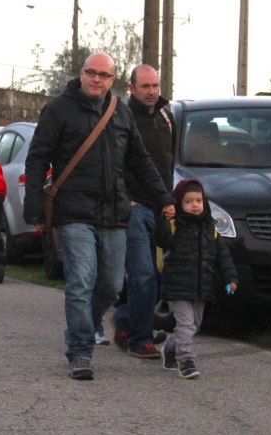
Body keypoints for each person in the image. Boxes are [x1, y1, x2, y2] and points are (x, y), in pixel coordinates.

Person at [22, 52, 176, 381]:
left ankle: (85, 325)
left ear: (112, 80)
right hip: (74, 211)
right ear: (81, 74)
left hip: (114, 212)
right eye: (91, 72)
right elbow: (37, 159)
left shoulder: (119, 112)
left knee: (110, 286)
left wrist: (164, 196)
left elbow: (140, 160)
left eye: (104, 75)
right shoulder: (59, 109)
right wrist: (33, 206)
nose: (96, 79)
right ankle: (80, 350)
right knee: (81, 280)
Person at [110, 64, 176, 358]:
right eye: (145, 86)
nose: (151, 92)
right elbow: (112, 164)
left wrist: (170, 200)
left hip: (161, 207)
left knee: (158, 278)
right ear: (132, 88)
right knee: (143, 275)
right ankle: (140, 340)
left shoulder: (166, 117)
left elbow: (167, 163)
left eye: (155, 86)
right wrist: (125, 199)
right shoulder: (122, 118)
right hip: (134, 209)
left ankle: (126, 320)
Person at [156, 179, 238, 379]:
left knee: (194, 325)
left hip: (202, 286)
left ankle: (170, 347)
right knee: (186, 325)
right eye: (188, 201)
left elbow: (223, 257)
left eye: (198, 201)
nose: (194, 205)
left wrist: (231, 278)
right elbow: (161, 240)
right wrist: (164, 220)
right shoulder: (175, 225)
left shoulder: (211, 230)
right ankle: (186, 362)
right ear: (178, 204)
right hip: (178, 285)